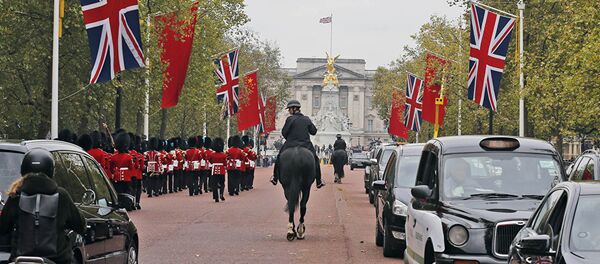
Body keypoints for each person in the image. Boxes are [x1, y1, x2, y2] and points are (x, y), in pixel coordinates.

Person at [0, 148, 85, 264]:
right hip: (57, 260)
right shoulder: (61, 195)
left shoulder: (16, 195)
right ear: (51, 170)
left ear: (23, 169)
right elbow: (80, 225)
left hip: (20, 260)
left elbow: (3, 227)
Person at [271, 99, 324, 188]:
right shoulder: (306, 119)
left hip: (291, 144)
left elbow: (284, 133)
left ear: (294, 109)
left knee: (279, 157)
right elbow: (313, 131)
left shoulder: (290, 119)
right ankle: (318, 181)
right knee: (315, 159)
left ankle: (275, 177)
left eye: (289, 109)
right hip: (306, 144)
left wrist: (290, 138)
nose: (289, 111)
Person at [209, 137, 227, 202]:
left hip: (214, 170)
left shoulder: (212, 154)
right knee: (222, 183)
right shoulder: (224, 155)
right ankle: (221, 194)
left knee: (214, 184)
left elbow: (210, 161)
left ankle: (216, 197)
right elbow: (225, 163)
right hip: (221, 170)